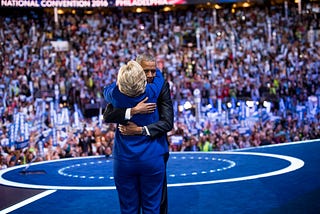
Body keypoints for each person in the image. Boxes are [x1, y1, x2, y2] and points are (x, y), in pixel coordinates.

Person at [103, 53, 173, 214]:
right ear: (137, 72)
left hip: (125, 158)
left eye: (153, 71)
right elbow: (107, 116)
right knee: (152, 207)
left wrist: (139, 128)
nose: (151, 75)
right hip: (152, 156)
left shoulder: (116, 93)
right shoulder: (154, 89)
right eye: (145, 71)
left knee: (129, 208)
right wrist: (133, 111)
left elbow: (168, 123)